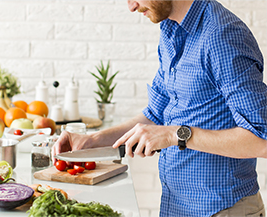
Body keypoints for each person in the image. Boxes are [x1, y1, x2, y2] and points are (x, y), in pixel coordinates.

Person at [52, 0, 267, 216]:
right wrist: (93, 141)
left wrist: (175, 134)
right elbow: (156, 115)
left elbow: (262, 141)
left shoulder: (223, 35)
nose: (131, 6)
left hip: (222, 210)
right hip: (177, 206)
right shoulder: (171, 28)